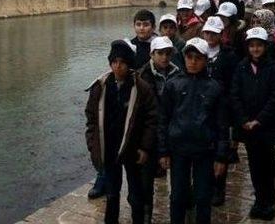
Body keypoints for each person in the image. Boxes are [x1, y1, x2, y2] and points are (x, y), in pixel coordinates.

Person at [85, 40, 158, 224]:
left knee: (135, 192)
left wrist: (145, 147)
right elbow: (91, 118)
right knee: (112, 192)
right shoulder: (100, 86)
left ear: (129, 64)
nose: (118, 66)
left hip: (132, 148)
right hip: (109, 148)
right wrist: (92, 143)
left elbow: (152, 119)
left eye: (123, 62)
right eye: (115, 62)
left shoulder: (141, 87)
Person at [158, 37, 229, 224]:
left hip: (204, 150)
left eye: (198, 58)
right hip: (178, 149)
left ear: (205, 59)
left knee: (203, 196)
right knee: (178, 196)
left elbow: (222, 125)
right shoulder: (173, 84)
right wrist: (163, 150)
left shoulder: (214, 87)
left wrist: (221, 156)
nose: (193, 62)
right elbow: (163, 119)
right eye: (189, 57)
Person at [230, 27, 275, 220]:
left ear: (265, 46)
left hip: (266, 126)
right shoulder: (242, 67)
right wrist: (243, 119)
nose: (255, 49)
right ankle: (259, 199)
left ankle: (269, 200)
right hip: (248, 127)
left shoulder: (273, 68)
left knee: (267, 163)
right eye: (252, 46)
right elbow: (235, 94)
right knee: (254, 165)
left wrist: (260, 119)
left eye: (259, 45)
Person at [138, 36, 182, 222]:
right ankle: (146, 217)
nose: (164, 57)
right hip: (150, 136)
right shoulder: (140, 77)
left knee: (179, 182)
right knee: (146, 182)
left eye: (167, 53)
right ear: (151, 54)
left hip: (174, 135)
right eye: (160, 53)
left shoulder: (179, 74)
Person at [201, 16, 239, 206]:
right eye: (207, 33)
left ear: (220, 34)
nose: (210, 36)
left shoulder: (229, 56)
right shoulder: (197, 52)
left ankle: (219, 188)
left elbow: (234, 85)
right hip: (201, 108)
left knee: (220, 149)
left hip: (222, 109)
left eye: (214, 33)